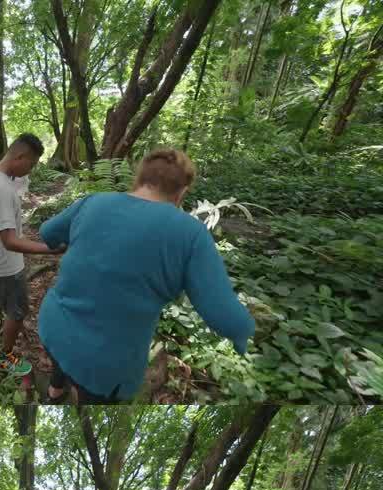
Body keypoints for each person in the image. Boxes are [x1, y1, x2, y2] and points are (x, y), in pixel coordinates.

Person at [36, 148, 255, 403]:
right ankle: (67, 395)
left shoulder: (92, 201)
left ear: (138, 179)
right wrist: (245, 332)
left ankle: (54, 392)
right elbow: (228, 319)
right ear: (182, 192)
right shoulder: (190, 233)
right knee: (90, 398)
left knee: (63, 353)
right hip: (103, 363)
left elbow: (47, 232)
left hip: (52, 326)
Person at [0, 133, 63, 378]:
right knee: (17, 311)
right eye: (31, 164)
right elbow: (10, 241)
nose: (30, 170)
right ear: (20, 156)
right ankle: (5, 355)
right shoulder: (1, 188)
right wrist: (52, 250)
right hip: (6, 264)